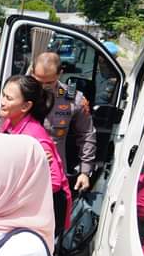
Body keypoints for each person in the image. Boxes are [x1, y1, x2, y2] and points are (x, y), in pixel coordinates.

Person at [0, 75, 72, 236]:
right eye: (3, 95)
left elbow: (54, 183)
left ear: (26, 106)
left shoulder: (35, 138)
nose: (2, 101)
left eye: (9, 98)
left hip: (46, 211)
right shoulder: (9, 122)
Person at [32, 52, 97, 192]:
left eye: (48, 82)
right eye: (39, 81)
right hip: (21, 168)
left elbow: (86, 134)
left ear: (59, 74)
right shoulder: (21, 91)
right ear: (32, 72)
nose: (43, 86)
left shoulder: (72, 98)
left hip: (53, 173)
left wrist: (85, 171)